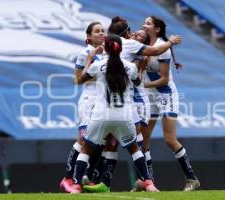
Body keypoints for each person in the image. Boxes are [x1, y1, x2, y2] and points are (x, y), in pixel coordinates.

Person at [83, 16, 182, 193]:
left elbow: (152, 55)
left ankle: (147, 181)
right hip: (124, 103)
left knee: (137, 143)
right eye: (134, 32)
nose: (137, 33)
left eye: (140, 34)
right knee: (114, 142)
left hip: (136, 102)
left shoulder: (126, 49)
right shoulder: (125, 48)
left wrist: (169, 43)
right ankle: (107, 182)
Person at [66, 34, 159, 193]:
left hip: (101, 115)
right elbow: (137, 82)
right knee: (135, 149)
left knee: (86, 149)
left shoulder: (99, 65)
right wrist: (140, 65)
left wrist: (90, 58)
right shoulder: (130, 67)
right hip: (124, 116)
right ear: (121, 48)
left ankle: (75, 185)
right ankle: (149, 182)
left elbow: (81, 78)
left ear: (106, 48)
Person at [141, 16, 200, 191]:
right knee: (143, 140)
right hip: (150, 97)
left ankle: (191, 178)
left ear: (157, 29)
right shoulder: (146, 46)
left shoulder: (162, 47)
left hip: (166, 95)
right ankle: (147, 180)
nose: (144, 25)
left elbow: (165, 79)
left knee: (169, 140)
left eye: (148, 23)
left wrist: (143, 85)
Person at [60, 21, 106, 192]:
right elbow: (77, 79)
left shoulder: (108, 54)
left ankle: (89, 177)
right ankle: (67, 178)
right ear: (88, 36)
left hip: (104, 101)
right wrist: (91, 63)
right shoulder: (85, 53)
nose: (101, 33)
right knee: (83, 139)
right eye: (97, 31)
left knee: (100, 140)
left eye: (103, 31)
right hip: (89, 99)